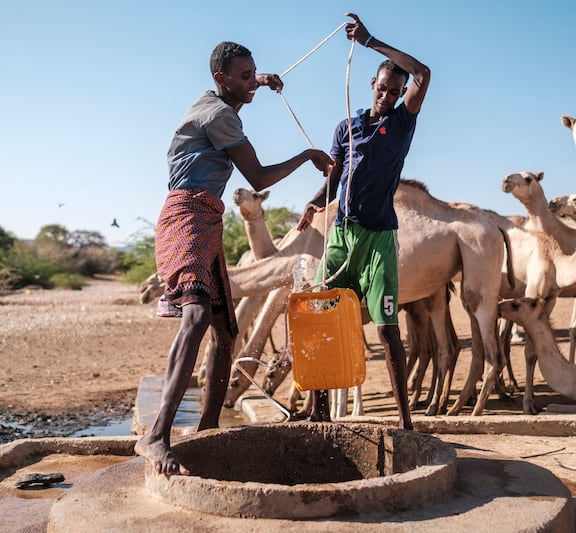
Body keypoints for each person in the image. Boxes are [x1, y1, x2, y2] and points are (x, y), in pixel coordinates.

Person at [135, 41, 333, 477]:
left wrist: (258, 82)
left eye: (254, 73)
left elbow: (239, 90)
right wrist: (308, 156)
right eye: (245, 77)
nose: (253, 82)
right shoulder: (220, 116)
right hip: (187, 217)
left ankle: (207, 427)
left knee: (226, 330)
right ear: (222, 79)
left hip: (208, 219)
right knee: (197, 315)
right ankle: (155, 436)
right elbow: (258, 177)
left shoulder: (212, 100)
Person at [296, 13, 430, 430]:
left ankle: (406, 422)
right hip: (342, 235)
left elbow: (424, 73)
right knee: (321, 316)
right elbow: (336, 178)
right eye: (382, 87)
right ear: (371, 85)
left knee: (388, 329)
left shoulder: (402, 123)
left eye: (394, 90)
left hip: (379, 240)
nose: (387, 94)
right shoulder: (346, 127)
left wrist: (371, 40)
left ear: (400, 91)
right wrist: (315, 203)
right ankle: (317, 411)